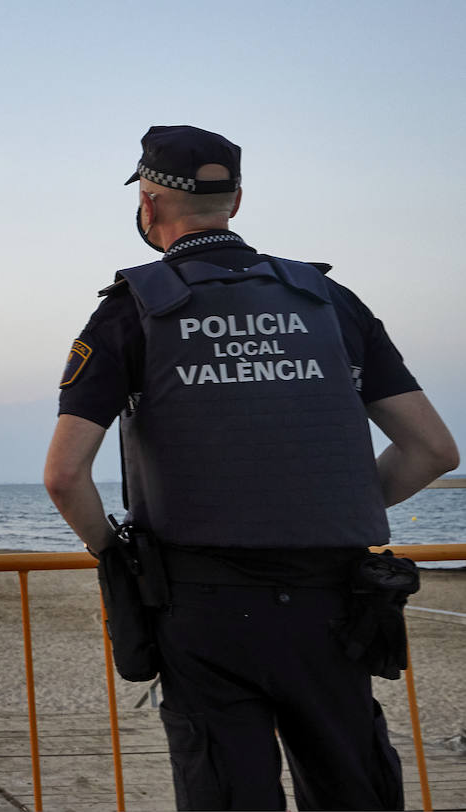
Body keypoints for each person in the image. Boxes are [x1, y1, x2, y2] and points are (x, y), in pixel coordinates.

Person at [43, 124, 458, 811]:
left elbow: (64, 475)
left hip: (202, 609)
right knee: (353, 786)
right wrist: (337, 507)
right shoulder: (332, 302)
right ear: (235, 202)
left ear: (148, 205)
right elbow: (434, 450)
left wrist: (116, 556)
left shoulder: (129, 312)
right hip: (334, 605)